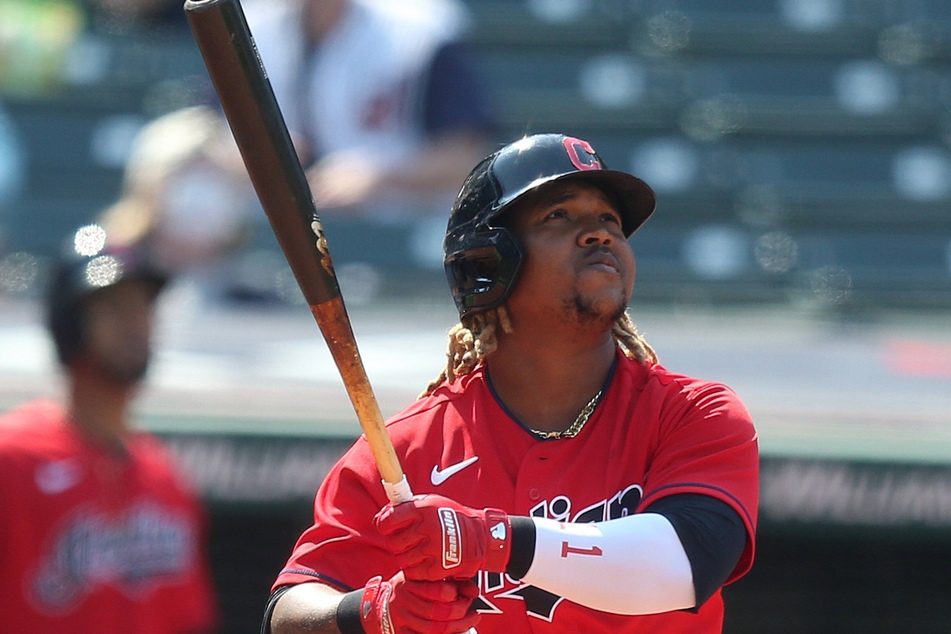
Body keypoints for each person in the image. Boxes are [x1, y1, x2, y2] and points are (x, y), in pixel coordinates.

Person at [260, 133, 760, 633]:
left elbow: (685, 565)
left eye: (609, 221)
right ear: (487, 262)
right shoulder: (407, 449)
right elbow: (288, 616)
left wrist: (491, 539)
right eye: (559, 217)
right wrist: (372, 613)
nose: (600, 234)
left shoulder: (693, 412)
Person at [0, 226, 219, 633]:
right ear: (69, 324)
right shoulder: (10, 458)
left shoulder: (164, 475)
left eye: (143, 306)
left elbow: (186, 619)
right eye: (113, 307)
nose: (135, 323)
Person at [242, 0, 495, 222]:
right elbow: (213, 132)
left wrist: (379, 176)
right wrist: (245, 157)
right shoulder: (247, 25)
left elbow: (465, 159)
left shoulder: (422, 28)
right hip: (274, 224)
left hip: (399, 224)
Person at [96, 106, 260, 302]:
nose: (203, 196)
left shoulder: (252, 292)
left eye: (216, 175)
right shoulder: (101, 278)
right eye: (189, 173)